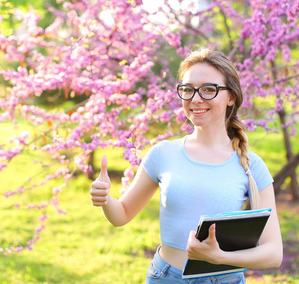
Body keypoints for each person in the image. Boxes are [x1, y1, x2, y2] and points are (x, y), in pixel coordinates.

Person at [90, 48, 283, 283]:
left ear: (231, 96)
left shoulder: (252, 166)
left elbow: (273, 254)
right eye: (188, 89)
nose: (196, 99)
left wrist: (219, 257)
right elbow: (121, 215)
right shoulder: (163, 153)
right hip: (165, 277)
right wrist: (105, 199)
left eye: (209, 89)